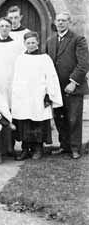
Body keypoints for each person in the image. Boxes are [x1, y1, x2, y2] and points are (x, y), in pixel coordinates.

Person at [12, 32, 62, 160]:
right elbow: (16, 78)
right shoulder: (20, 58)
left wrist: (48, 95)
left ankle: (38, 148)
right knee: (24, 121)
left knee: (38, 121)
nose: (31, 45)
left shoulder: (44, 58)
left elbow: (51, 77)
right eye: (28, 43)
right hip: (23, 96)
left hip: (39, 95)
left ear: (38, 43)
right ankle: (25, 148)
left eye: (33, 42)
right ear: (24, 44)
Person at [47, 12, 89, 160]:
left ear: (69, 22)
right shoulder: (50, 41)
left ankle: (75, 148)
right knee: (59, 117)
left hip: (73, 87)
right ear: (55, 22)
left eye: (63, 21)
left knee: (73, 118)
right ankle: (64, 146)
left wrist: (73, 82)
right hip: (56, 88)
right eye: (58, 20)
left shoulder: (78, 39)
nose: (60, 23)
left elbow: (83, 64)